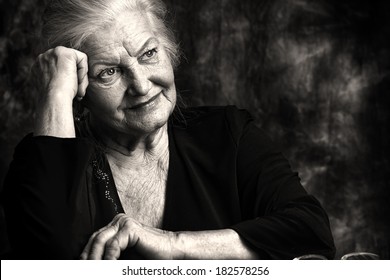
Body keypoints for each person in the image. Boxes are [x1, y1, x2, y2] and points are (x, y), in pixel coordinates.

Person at [1, 0, 335, 260]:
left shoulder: (227, 134)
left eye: (149, 54)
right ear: (81, 88)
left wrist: (174, 245)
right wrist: (55, 94)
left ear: (169, 53)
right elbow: (44, 264)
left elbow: (310, 234)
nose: (141, 86)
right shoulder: (44, 163)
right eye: (109, 72)